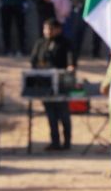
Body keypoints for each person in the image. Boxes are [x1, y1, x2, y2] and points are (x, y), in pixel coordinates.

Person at [30, 18, 77, 151]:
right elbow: (34, 60)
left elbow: (70, 60)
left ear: (58, 29)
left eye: (51, 29)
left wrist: (70, 67)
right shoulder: (40, 43)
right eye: (46, 29)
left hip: (61, 84)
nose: (48, 32)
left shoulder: (65, 43)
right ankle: (54, 141)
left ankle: (67, 142)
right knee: (51, 115)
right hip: (45, 84)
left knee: (63, 114)